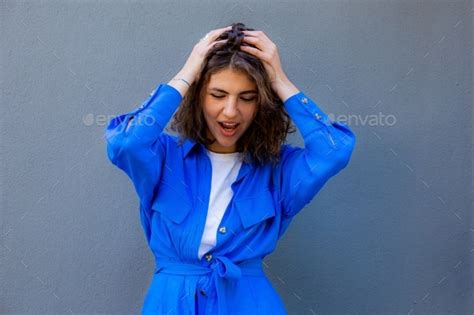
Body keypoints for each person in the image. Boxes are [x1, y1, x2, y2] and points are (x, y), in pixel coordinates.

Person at [105, 22, 356, 315]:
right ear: (198, 97)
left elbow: (334, 151)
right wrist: (188, 74)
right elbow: (125, 143)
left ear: (261, 103)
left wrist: (280, 81)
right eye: (218, 95)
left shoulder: (279, 170)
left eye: (247, 98)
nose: (230, 112)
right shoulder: (163, 157)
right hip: (170, 304)